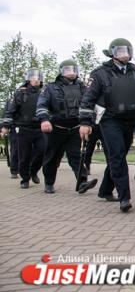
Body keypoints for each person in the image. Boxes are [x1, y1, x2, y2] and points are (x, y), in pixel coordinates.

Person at [79, 39, 135, 212]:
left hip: (130, 120)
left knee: (120, 155)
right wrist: (85, 122)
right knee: (117, 156)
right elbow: (88, 99)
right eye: (120, 50)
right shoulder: (100, 73)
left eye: (127, 50)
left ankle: (105, 190)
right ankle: (125, 197)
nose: (124, 53)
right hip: (109, 119)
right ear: (112, 53)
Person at [37, 60, 98, 194]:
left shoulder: (83, 88)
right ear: (61, 72)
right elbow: (42, 105)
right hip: (55, 129)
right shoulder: (51, 88)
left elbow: (90, 105)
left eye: (73, 70)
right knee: (51, 157)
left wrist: (89, 123)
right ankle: (49, 182)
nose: (71, 72)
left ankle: (82, 182)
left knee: (76, 156)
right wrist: (44, 120)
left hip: (75, 128)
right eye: (67, 70)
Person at [1, 69, 46, 188]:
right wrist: (5, 127)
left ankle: (33, 171)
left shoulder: (44, 93)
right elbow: (10, 111)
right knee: (24, 155)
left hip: (39, 128)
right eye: (33, 77)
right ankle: (25, 179)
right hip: (23, 128)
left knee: (43, 150)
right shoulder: (20, 93)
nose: (36, 79)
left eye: (38, 77)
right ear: (28, 79)